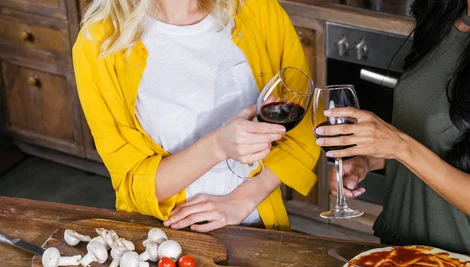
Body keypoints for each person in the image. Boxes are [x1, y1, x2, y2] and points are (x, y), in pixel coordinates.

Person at [317, 0, 470, 260]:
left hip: (469, 266)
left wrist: (399, 146)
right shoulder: (445, 17)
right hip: (400, 248)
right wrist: (367, 160)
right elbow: (433, 143)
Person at [73, 0, 319, 233]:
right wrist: (218, 146)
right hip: (166, 237)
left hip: (259, 226)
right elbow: (133, 185)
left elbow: (301, 129)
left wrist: (241, 201)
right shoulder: (99, 43)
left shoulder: (255, 9)